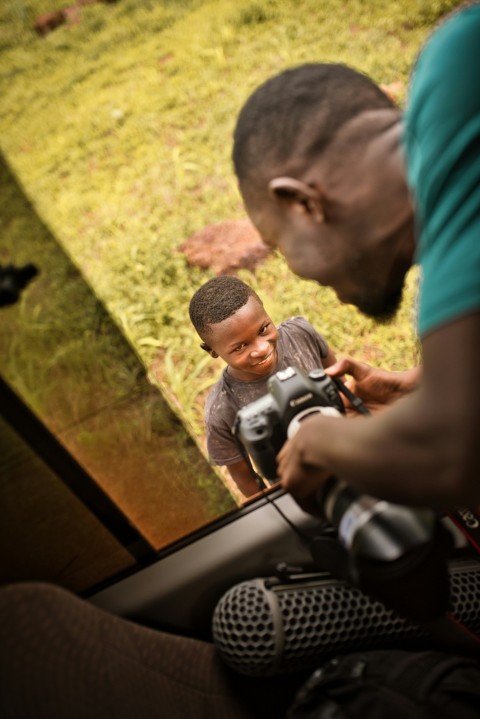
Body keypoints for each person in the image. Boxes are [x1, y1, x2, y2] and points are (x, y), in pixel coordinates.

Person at [231, 4, 480, 515]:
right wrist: (416, 386)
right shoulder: (453, 64)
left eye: (281, 246)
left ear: (304, 202)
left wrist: (317, 440)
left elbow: (455, 457)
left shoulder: (464, 72)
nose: (299, 272)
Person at [189, 275, 336, 497]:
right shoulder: (221, 408)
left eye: (263, 329)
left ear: (266, 313)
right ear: (212, 351)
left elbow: (340, 383)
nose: (261, 349)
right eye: (240, 347)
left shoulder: (301, 334)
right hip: (298, 490)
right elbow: (243, 476)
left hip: (344, 450)